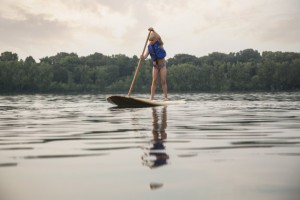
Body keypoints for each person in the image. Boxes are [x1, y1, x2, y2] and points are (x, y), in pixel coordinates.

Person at [141, 27, 168, 101]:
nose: (150, 42)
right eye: (149, 40)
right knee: (154, 81)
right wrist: (142, 57)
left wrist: (153, 30)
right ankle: (151, 97)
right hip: (155, 66)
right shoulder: (149, 47)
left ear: (155, 39)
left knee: (163, 81)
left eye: (152, 40)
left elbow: (159, 37)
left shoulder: (159, 43)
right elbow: (145, 56)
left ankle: (165, 97)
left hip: (162, 66)